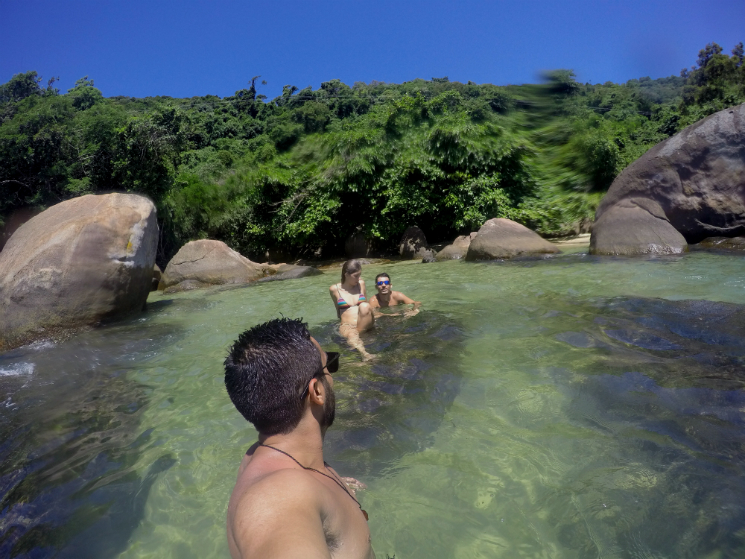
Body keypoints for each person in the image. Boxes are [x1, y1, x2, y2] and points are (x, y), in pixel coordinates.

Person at [224, 318, 374, 559]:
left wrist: (332, 485)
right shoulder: (281, 498)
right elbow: (277, 505)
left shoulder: (259, 459)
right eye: (330, 366)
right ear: (317, 391)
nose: (333, 380)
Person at [329, 260, 375, 360]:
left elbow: (367, 305)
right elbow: (338, 311)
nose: (359, 279)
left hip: (364, 320)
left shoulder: (361, 284)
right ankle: (365, 355)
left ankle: (359, 334)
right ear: (346, 274)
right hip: (348, 325)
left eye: (360, 275)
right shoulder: (334, 289)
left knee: (364, 306)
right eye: (356, 276)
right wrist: (343, 325)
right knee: (351, 334)